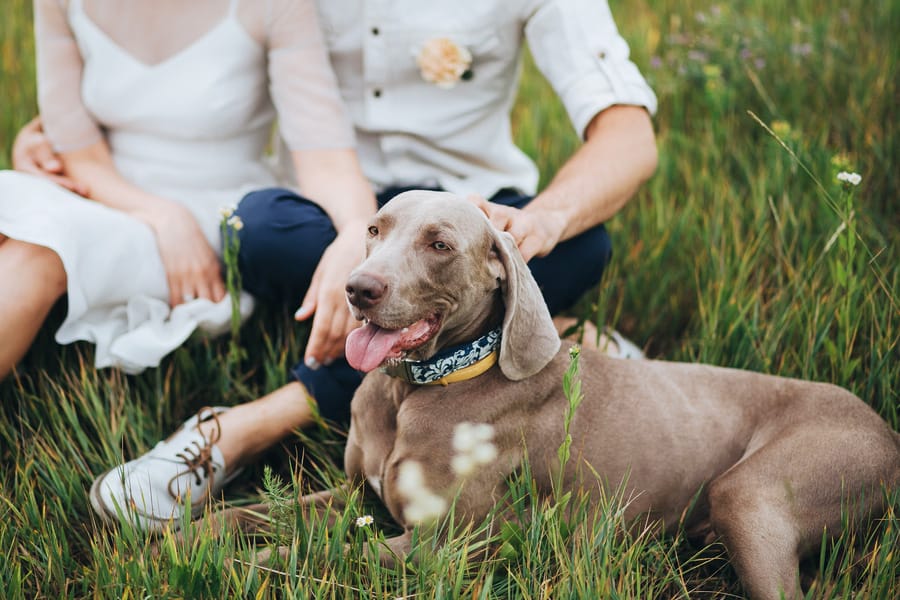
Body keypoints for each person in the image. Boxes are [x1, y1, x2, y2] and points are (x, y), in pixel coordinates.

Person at [14, 0, 658, 532]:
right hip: (335, 216)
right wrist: (63, 141)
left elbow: (628, 135)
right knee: (256, 231)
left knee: (580, 245)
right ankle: (524, 329)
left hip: (472, 218)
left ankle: (246, 426)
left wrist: (546, 219)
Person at [0, 0, 375, 381]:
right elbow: (78, 151)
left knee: (39, 251)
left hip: (213, 210)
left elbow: (326, 161)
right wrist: (161, 215)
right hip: (105, 189)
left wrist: (355, 232)